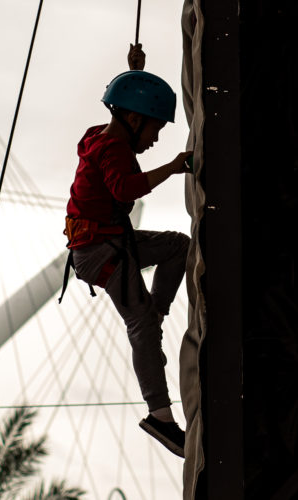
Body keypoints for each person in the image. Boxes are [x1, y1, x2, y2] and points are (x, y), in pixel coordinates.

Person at [58, 43, 192, 458]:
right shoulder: (112, 148)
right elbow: (125, 188)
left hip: (105, 242)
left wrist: (134, 72)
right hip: (102, 250)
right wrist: (172, 166)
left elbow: (122, 110)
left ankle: (158, 313)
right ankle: (160, 417)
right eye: (154, 128)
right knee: (140, 324)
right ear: (133, 119)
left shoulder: (103, 135)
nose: (154, 138)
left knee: (178, 248)